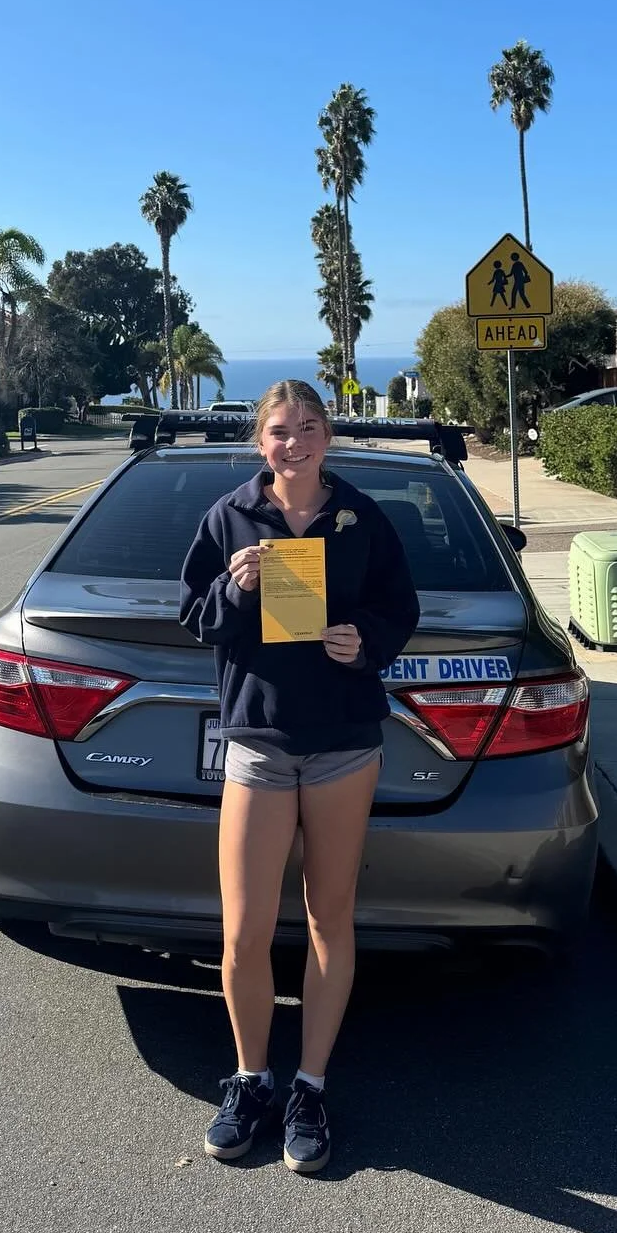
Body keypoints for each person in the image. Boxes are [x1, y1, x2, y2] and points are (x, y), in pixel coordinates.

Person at [179, 379, 420, 1174]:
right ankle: (251, 1079)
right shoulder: (229, 517)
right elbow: (195, 617)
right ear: (261, 442)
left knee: (328, 918)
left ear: (328, 436)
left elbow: (400, 610)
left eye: (309, 426)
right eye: (281, 429)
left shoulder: (362, 517)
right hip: (259, 743)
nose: (296, 441)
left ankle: (310, 1086)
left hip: (344, 743)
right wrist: (235, 585)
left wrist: (365, 641)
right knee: (244, 930)